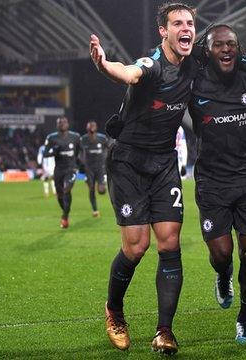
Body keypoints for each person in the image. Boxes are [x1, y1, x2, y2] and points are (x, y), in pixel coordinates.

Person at [90, 2, 198, 354]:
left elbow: (228, 50)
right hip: (129, 163)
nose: (186, 29)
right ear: (163, 32)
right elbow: (130, 72)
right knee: (136, 247)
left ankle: (164, 331)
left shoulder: (194, 61)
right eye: (177, 23)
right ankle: (115, 311)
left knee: (169, 244)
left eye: (190, 23)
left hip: (164, 162)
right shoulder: (152, 65)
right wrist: (105, 65)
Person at [188, 24, 246, 343]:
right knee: (222, 254)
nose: (226, 49)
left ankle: (245, 317)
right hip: (211, 180)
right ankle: (222, 276)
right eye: (218, 45)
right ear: (207, 51)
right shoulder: (193, 81)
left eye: (231, 44)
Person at [43, 116, 81, 229]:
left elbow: (79, 151)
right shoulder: (51, 138)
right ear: (57, 125)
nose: (62, 124)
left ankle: (65, 216)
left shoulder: (75, 137)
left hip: (71, 169)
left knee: (66, 189)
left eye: (64, 122)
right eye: (60, 123)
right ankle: (65, 213)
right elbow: (45, 153)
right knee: (60, 195)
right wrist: (54, 151)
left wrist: (78, 164)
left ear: (68, 124)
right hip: (59, 169)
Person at [80, 121, 109, 216]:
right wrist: (81, 163)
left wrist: (107, 159)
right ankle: (95, 210)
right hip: (89, 169)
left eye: (93, 125)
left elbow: (109, 148)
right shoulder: (83, 139)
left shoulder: (102, 138)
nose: (92, 127)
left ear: (96, 127)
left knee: (101, 191)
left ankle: (100, 184)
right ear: (87, 127)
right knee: (91, 189)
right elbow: (79, 152)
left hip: (100, 167)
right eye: (90, 125)